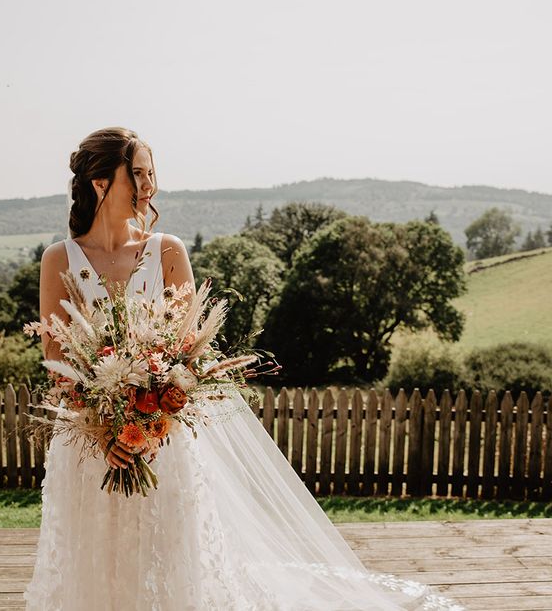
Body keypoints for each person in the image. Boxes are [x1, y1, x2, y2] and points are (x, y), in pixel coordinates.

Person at [23, 127, 464, 611]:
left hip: (165, 443)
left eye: (152, 173)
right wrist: (106, 431)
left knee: (168, 555)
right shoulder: (58, 260)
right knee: (95, 561)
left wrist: (154, 416)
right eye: (140, 174)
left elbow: (188, 351)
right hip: (88, 449)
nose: (150, 186)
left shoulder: (166, 251)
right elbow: (59, 366)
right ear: (101, 182)